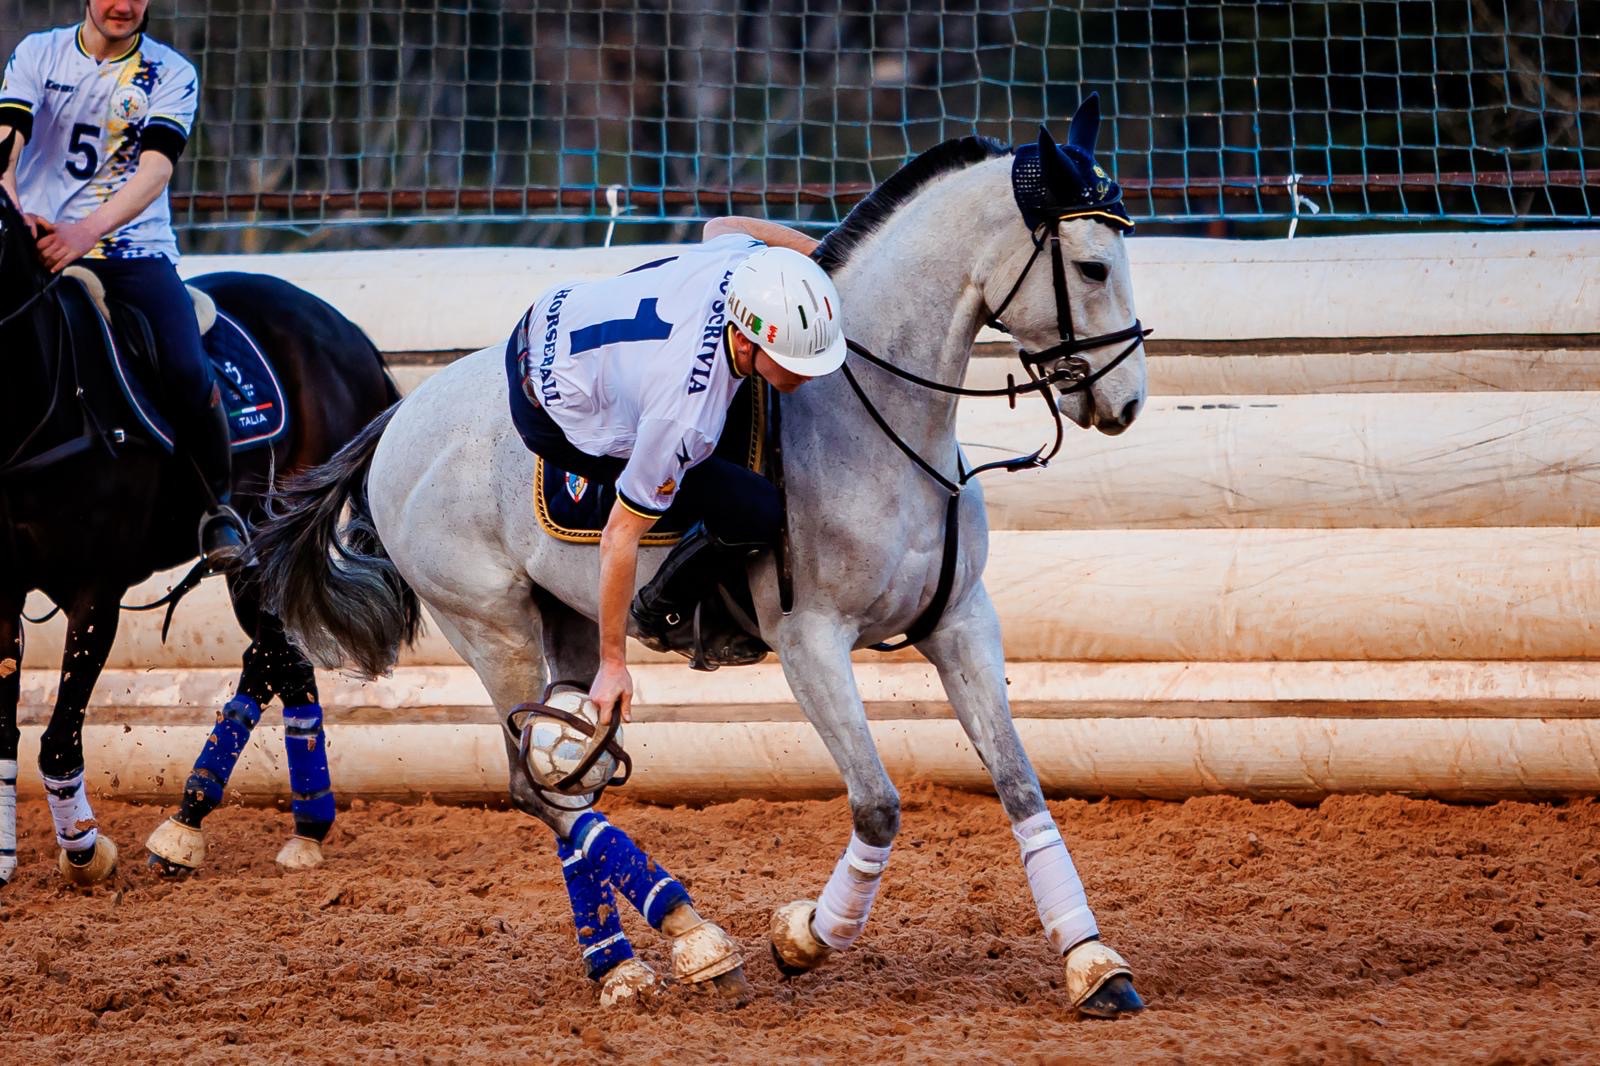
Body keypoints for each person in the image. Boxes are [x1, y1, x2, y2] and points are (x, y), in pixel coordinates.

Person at [506, 216, 847, 723]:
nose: (807, 371)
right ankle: (666, 609)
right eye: (793, 361)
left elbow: (721, 223)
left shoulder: (740, 265)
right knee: (754, 508)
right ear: (748, 342)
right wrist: (613, 663)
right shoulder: (684, 419)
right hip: (550, 407)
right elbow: (619, 535)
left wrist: (825, 258)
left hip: (554, 313)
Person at [0, 0, 247, 565]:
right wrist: (17, 213)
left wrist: (83, 233)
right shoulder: (37, 53)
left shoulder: (170, 72)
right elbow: (6, 140)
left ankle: (218, 509)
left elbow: (155, 170)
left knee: (186, 368)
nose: (123, 5)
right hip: (35, 244)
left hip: (132, 252)